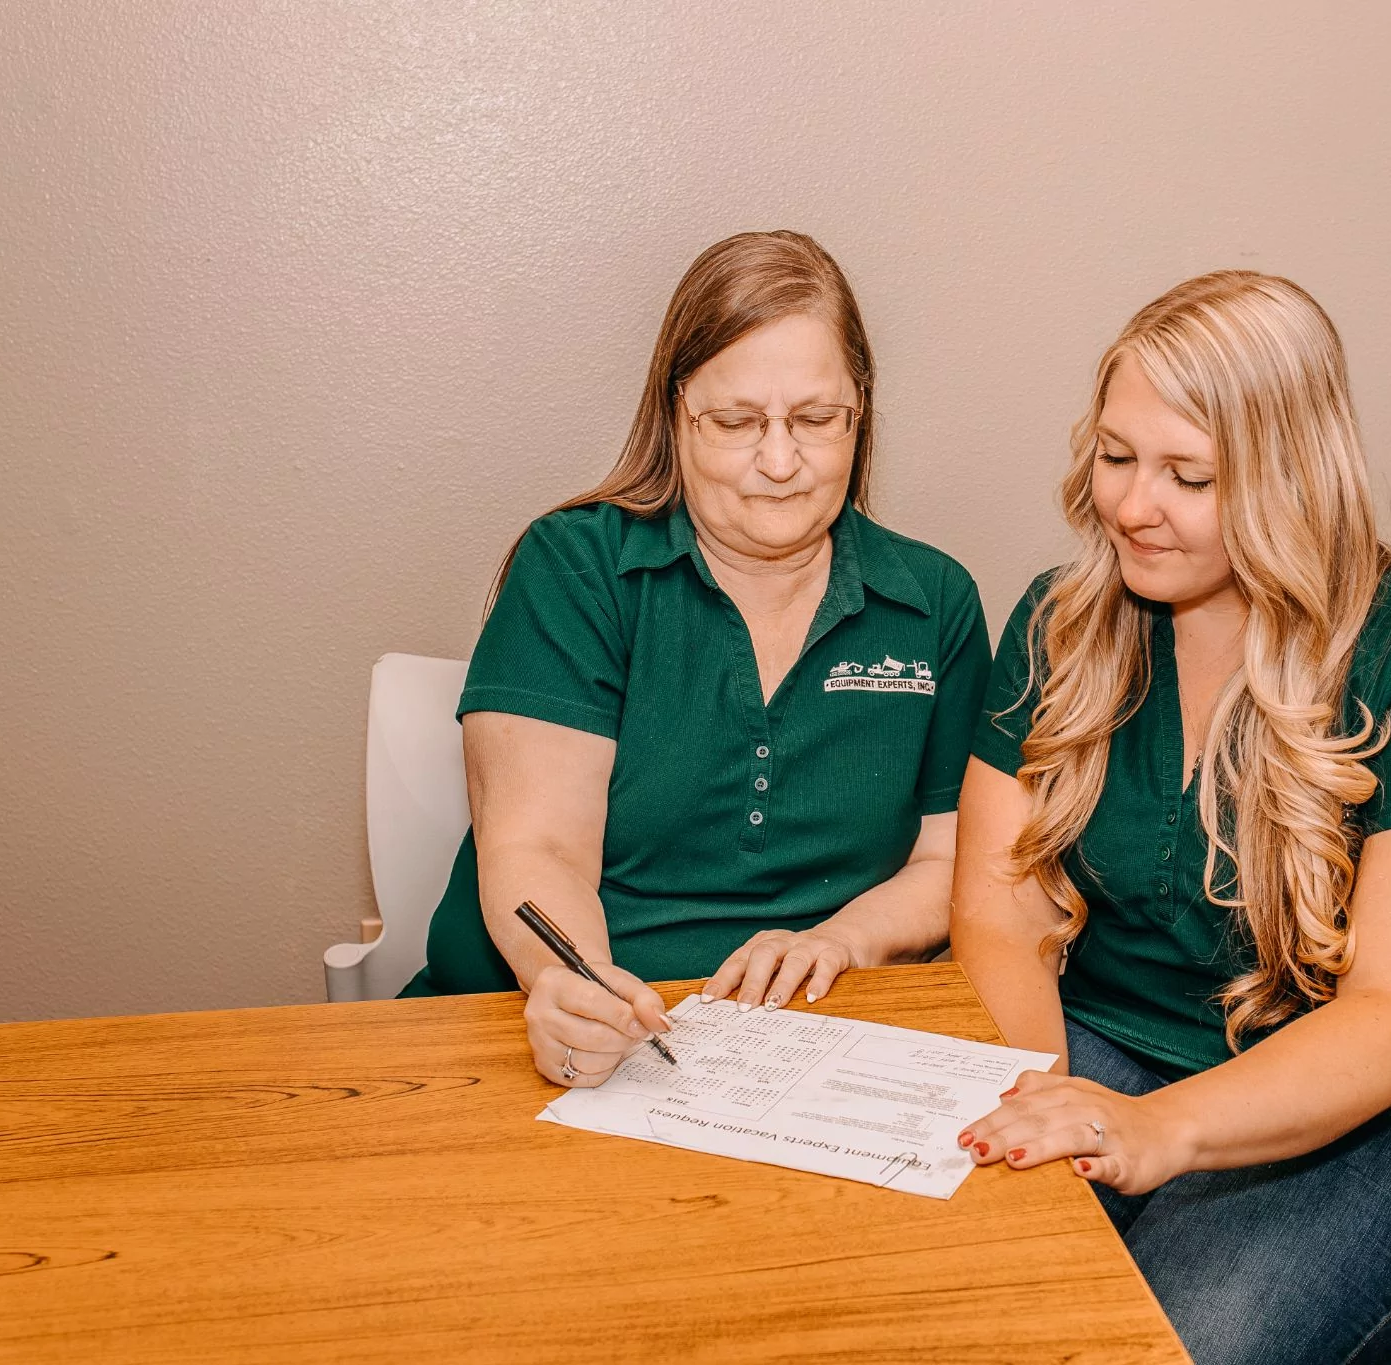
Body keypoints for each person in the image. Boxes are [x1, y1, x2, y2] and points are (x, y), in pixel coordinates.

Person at [952, 271, 1391, 1363]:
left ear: (1289, 479)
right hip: (1105, 1047)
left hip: (1384, 1124)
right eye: (1115, 457)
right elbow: (998, 906)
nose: (1132, 506)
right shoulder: (1061, 622)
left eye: (1188, 476)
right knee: (924, 1296)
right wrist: (1036, 1086)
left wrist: (1156, 1129)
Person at [402, 231, 990, 1093]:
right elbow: (539, 846)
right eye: (737, 422)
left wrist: (839, 941)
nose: (781, 463)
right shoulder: (577, 568)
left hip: (809, 1050)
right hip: (558, 1028)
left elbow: (950, 865)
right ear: (676, 410)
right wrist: (571, 985)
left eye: (817, 420)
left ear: (861, 412)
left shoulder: (934, 600)